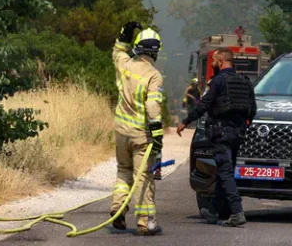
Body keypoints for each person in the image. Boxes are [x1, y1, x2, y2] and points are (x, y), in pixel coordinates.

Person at [176, 48, 256, 227]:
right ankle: (213, 212)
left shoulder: (218, 82)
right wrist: (243, 126)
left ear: (221, 61)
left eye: (213, 60)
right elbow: (252, 109)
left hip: (220, 134)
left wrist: (186, 121)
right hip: (238, 134)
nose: (211, 63)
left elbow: (204, 105)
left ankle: (237, 212)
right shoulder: (245, 81)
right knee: (224, 171)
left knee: (225, 172)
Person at [110, 21, 165, 236]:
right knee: (143, 177)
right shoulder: (154, 76)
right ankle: (144, 222)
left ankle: (117, 209)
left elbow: (117, 52)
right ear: (156, 51)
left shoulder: (125, 65)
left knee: (123, 172)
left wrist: (124, 35)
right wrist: (158, 134)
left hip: (120, 131)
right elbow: (152, 105)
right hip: (141, 135)